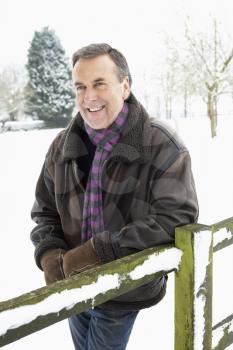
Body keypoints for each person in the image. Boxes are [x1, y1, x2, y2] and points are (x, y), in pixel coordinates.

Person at [30, 43, 199, 350]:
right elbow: (44, 211)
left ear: (125, 86)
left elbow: (176, 218)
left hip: (125, 286)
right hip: (73, 283)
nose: (89, 97)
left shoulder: (160, 143)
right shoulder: (61, 146)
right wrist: (49, 251)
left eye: (99, 84)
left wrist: (101, 251)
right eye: (80, 87)